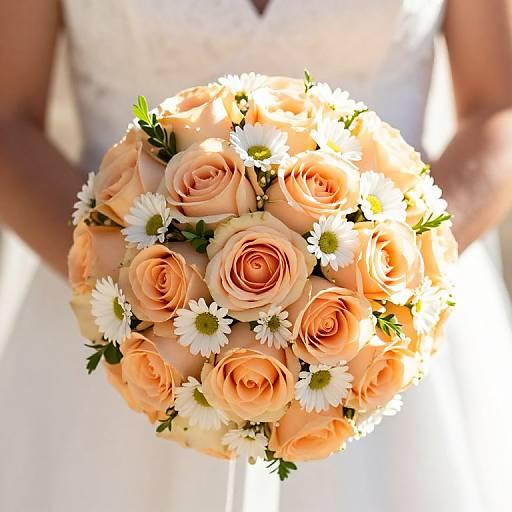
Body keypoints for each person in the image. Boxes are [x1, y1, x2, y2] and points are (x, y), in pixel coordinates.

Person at [0, 1, 511, 510]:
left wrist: (398, 271)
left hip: (383, 327)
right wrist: (133, 295)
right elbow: (9, 123)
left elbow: (501, 108)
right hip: (123, 331)